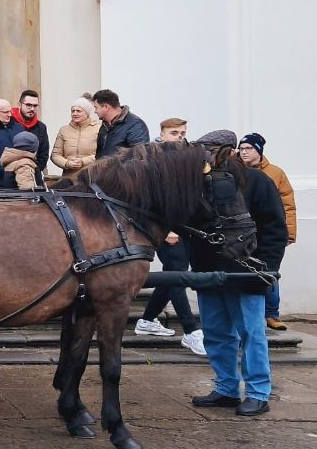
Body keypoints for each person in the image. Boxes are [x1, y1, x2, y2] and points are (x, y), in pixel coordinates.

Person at [188, 130, 287, 417]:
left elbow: (274, 228)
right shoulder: (200, 183)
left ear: (227, 151)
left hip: (245, 271)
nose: (204, 154)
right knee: (216, 334)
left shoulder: (256, 181)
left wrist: (265, 267)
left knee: (251, 334)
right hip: (209, 271)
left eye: (210, 149)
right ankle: (227, 388)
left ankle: (258, 392)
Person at [133, 118, 204, 355]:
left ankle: (147, 319)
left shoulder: (185, 157)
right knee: (177, 275)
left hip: (184, 226)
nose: (180, 137)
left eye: (183, 133)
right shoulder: (153, 159)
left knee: (173, 274)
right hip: (165, 228)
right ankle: (191, 331)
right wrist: (168, 229)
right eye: (174, 133)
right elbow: (154, 199)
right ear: (162, 134)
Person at [238, 132, 296, 331]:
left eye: (249, 148)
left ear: (259, 150)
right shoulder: (236, 171)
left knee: (270, 272)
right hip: (244, 233)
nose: (244, 152)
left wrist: (289, 233)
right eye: (242, 148)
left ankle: (272, 313)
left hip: (268, 232)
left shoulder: (275, 173)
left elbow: (287, 204)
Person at [51, 98, 101, 181]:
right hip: (69, 178)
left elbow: (102, 154)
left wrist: (83, 161)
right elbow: (55, 155)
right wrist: (67, 163)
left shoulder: (99, 129)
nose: (75, 113)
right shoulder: (64, 130)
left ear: (87, 113)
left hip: (92, 177)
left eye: (78, 111)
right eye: (73, 111)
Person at [93, 88, 150, 157]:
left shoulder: (136, 125)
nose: (95, 111)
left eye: (96, 107)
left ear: (106, 107)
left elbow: (140, 157)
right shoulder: (105, 125)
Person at [9, 89, 49, 175]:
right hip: (9, 173)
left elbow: (43, 154)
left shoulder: (41, 127)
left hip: (33, 174)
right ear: (19, 105)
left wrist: (34, 171)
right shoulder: (9, 123)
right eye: (28, 105)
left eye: (35, 106)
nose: (32, 109)